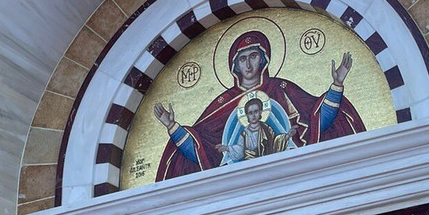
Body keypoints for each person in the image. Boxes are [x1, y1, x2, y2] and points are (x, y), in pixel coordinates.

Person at [152, 30, 364, 179]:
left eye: (254, 56)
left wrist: (337, 85)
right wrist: (172, 127)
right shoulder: (223, 104)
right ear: (235, 65)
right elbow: (202, 152)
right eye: (242, 59)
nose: (248, 63)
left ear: (263, 59)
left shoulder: (282, 89)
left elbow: (317, 121)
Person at [216, 96, 293, 163]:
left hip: (267, 161)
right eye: (250, 113)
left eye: (256, 112)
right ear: (247, 115)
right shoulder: (245, 133)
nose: (253, 115)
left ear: (260, 112)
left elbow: (274, 144)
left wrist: (286, 136)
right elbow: (240, 149)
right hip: (251, 164)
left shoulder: (267, 129)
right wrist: (227, 148)